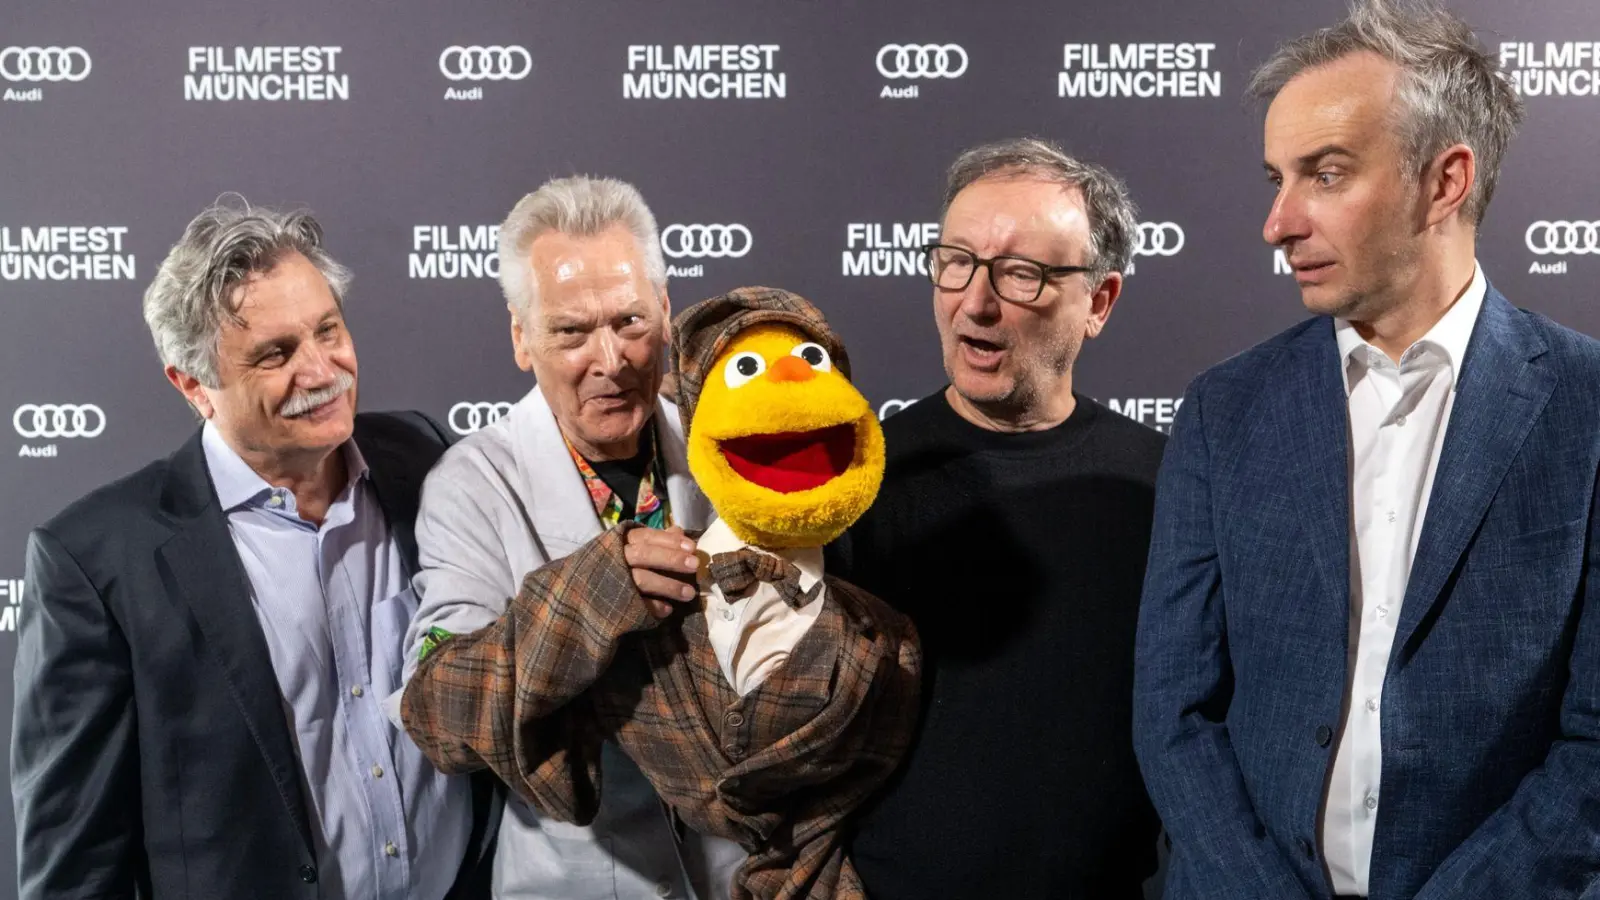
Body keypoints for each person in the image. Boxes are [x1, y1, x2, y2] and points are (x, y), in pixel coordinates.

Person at [1133, 2, 1600, 898]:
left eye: (1326, 174)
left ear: (1445, 180)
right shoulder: (1224, 409)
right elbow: (1174, 710)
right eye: (1276, 178)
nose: (1278, 222)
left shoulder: (1584, 407)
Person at [11, 198, 496, 899]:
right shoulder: (95, 563)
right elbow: (76, 866)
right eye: (276, 354)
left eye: (328, 330)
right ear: (193, 386)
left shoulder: (424, 457)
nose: (322, 370)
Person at [826, 137, 1166, 899]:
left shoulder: (1167, 486)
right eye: (955, 261)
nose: (975, 302)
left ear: (1100, 302)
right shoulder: (853, 479)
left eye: (1021, 275)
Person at [396, 175, 745, 899]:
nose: (609, 360)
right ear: (522, 338)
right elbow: (438, 711)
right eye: (571, 332)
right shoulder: (472, 485)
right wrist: (585, 600)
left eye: (628, 321)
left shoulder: (732, 447)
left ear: (666, 312)